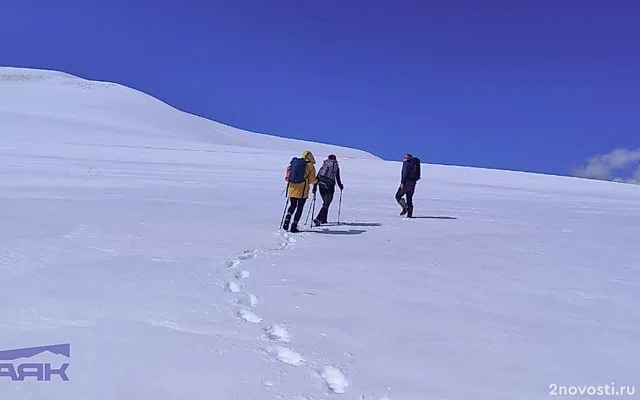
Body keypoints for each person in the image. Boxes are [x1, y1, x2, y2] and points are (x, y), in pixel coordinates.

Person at [283, 150, 318, 233]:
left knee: (292, 205)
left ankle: (287, 219)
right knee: (299, 208)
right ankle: (294, 226)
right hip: (303, 190)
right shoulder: (310, 166)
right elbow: (312, 180)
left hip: (292, 188)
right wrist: (317, 181)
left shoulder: (294, 164)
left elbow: (287, 177)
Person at [312, 154, 344, 226]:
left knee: (325, 203)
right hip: (330, 187)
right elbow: (337, 178)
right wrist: (340, 186)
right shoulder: (335, 167)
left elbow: (318, 176)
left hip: (321, 186)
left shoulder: (324, 166)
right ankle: (318, 219)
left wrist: (315, 187)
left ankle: (324, 219)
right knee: (326, 203)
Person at [395, 153, 421, 218]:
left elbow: (405, 173)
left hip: (406, 183)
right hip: (413, 183)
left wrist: (402, 182)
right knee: (409, 199)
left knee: (398, 196)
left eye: (405, 157)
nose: (404, 159)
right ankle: (409, 215)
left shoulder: (406, 163)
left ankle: (405, 208)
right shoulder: (416, 164)